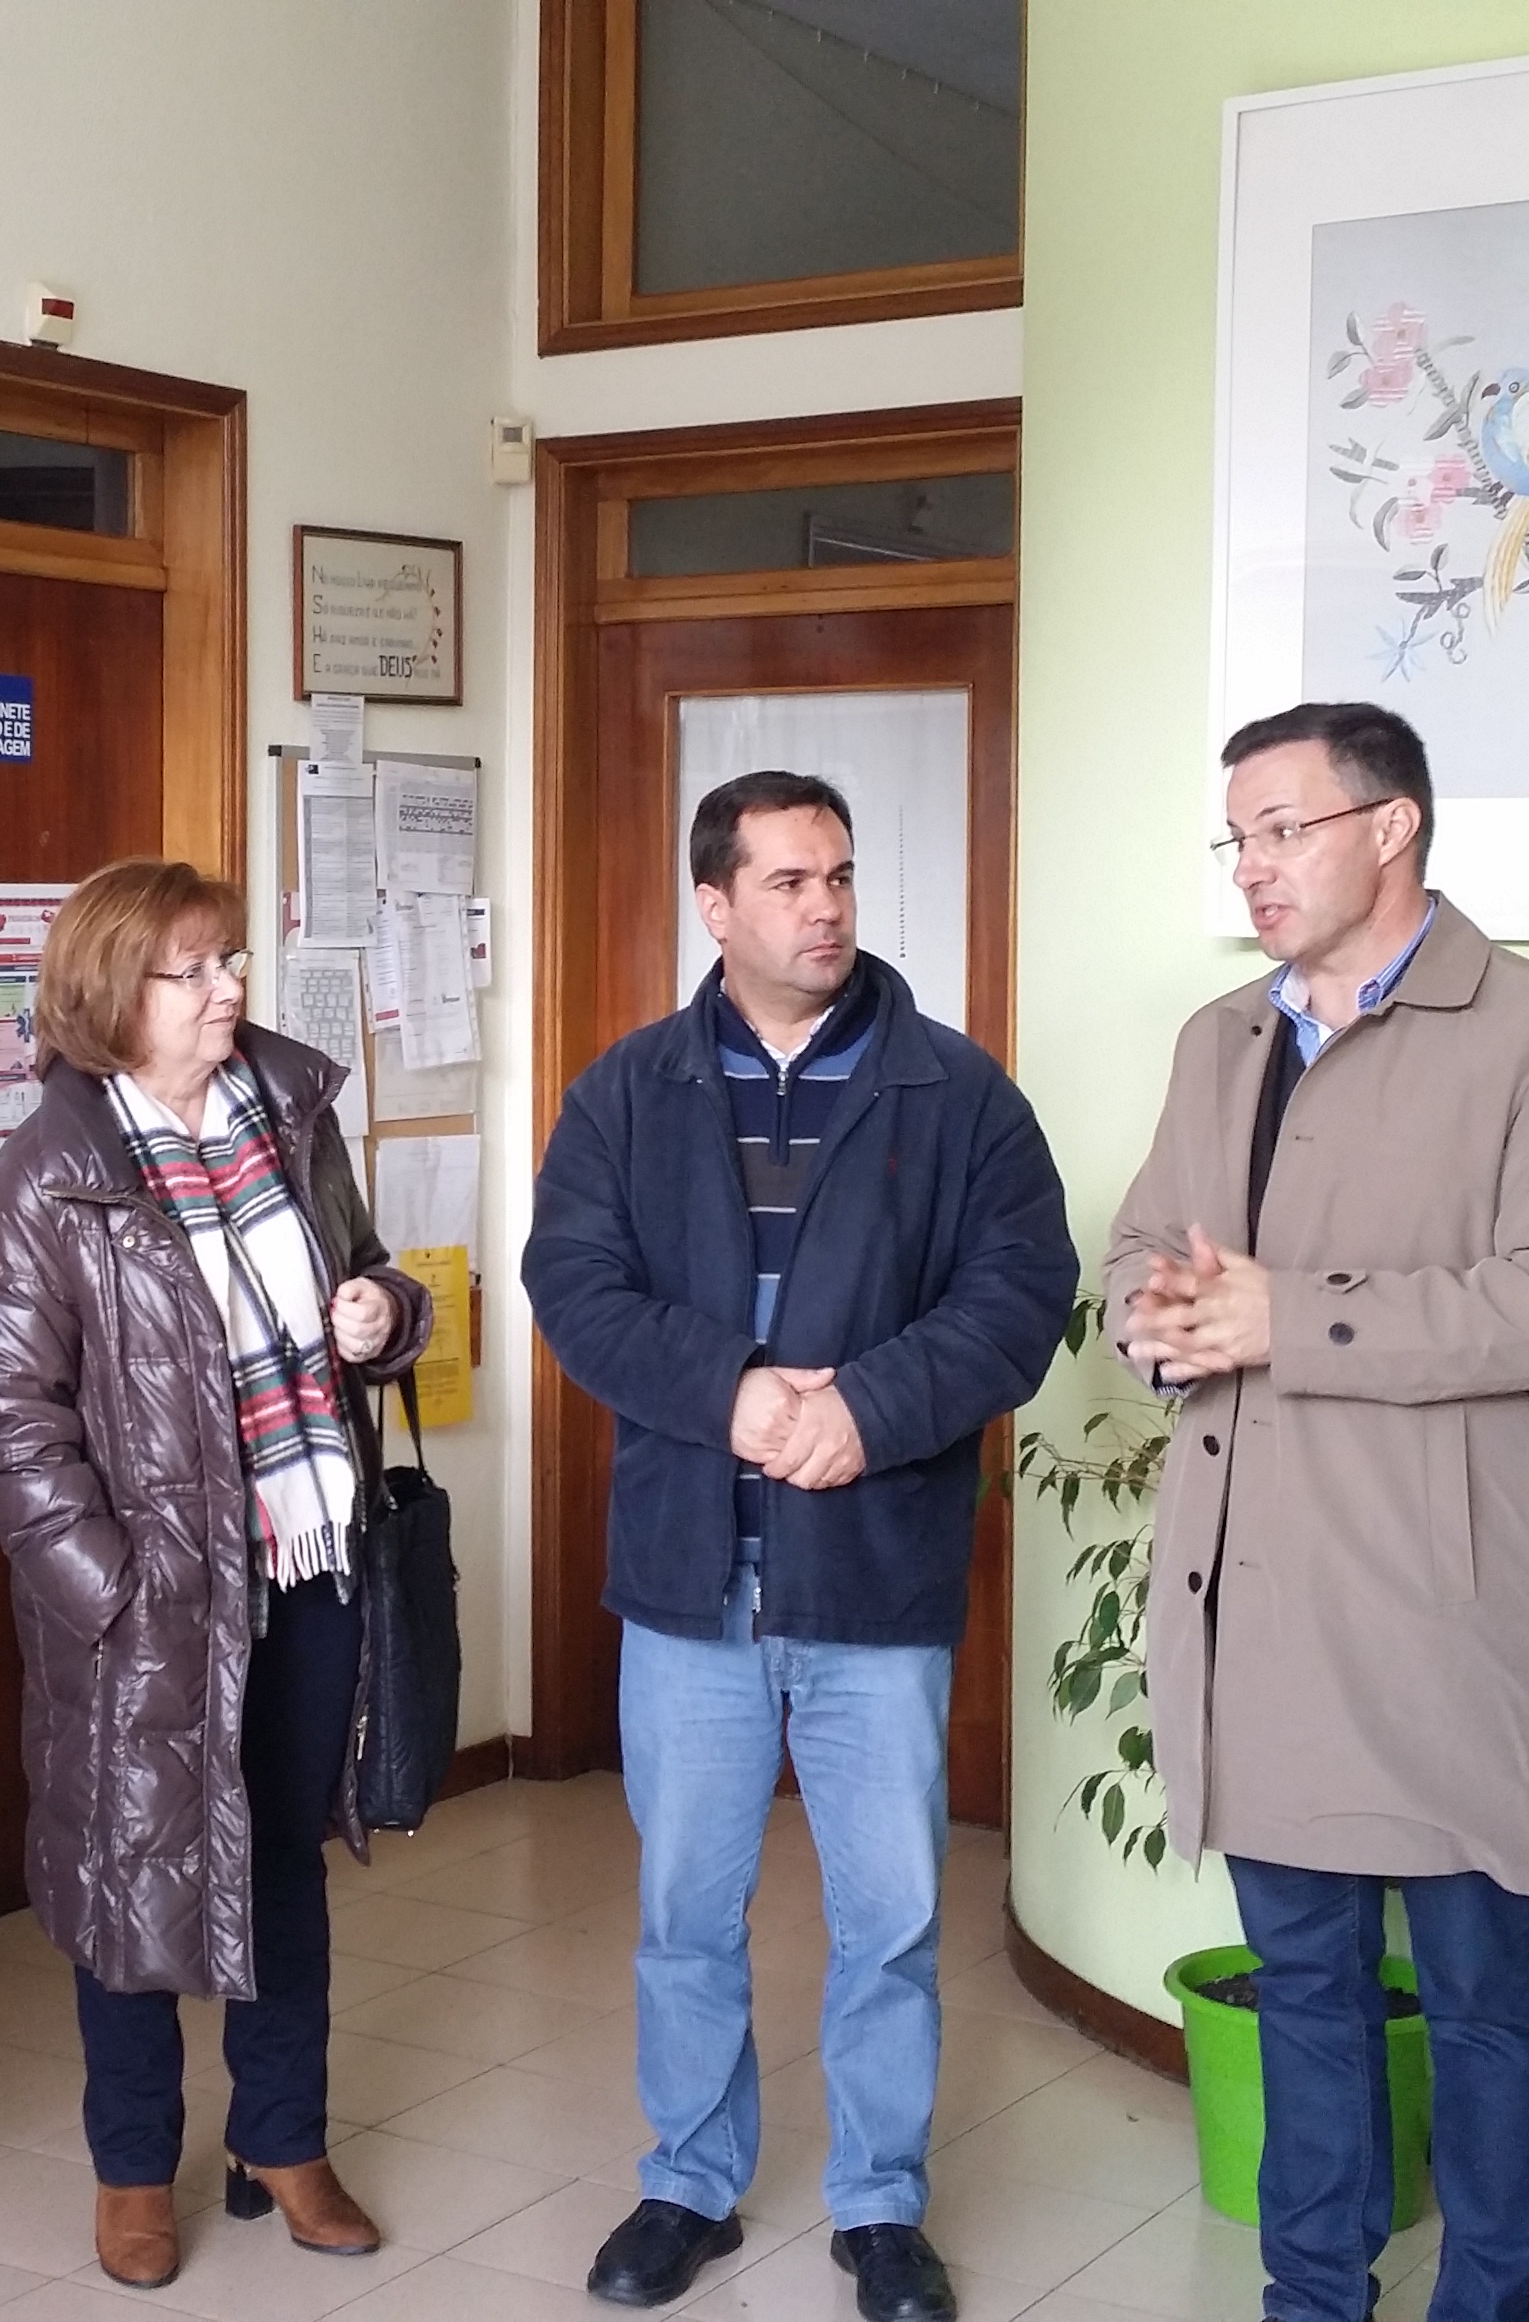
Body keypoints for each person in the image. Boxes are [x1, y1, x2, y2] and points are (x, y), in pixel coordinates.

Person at [1104, 702, 1529, 2322]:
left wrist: (1292, 1316)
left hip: (1440, 1606)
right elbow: (1143, 1245)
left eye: (1282, 828)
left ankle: (1490, 2298)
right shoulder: (1221, 1036)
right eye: (1238, 837)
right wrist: (1155, 1316)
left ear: (1391, 824)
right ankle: (1310, 2294)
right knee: (1304, 1990)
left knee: (1483, 1995)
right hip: (1250, 1593)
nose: (1251, 865)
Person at [524, 772, 1073, 2321]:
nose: (825, 906)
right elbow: (574, 1282)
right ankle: (690, 2179)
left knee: (889, 1919)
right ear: (715, 905)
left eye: (838, 875)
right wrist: (735, 1393)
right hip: (689, 1577)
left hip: (873, 1574)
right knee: (684, 1913)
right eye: (787, 881)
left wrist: (870, 1410)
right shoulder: (627, 1091)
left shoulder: (955, 1091)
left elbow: (1020, 1293)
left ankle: (881, 2203)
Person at [0, 859, 432, 2292]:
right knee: (133, 1873)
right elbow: (10, 1418)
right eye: (197, 969)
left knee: (282, 1858)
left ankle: (282, 2140)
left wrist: (384, 1312)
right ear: (115, 993)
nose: (230, 989)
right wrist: (106, 1587)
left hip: (310, 1554)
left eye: (231, 961)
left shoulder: (290, 1111)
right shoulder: (51, 1174)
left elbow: (372, 1273)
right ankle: (132, 2166)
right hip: (149, 1598)